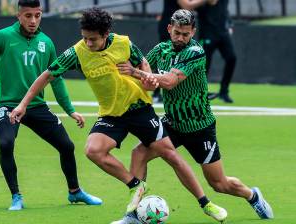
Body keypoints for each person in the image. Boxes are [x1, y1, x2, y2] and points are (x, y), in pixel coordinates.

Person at [9, 7, 227, 222]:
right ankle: (135, 186)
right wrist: (23, 105)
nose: (88, 43)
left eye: (93, 39)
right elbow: (47, 75)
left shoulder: (123, 43)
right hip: (112, 113)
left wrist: (147, 78)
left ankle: (205, 203)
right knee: (93, 150)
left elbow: (143, 62)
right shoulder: (77, 52)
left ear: (105, 35)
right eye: (85, 38)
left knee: (169, 154)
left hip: (139, 108)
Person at [117, 9, 274, 222]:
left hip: (200, 127)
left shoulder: (195, 52)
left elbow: (170, 82)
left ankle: (252, 196)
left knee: (219, 184)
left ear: (193, 32)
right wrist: (131, 71)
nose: (181, 37)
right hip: (172, 123)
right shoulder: (161, 49)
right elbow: (142, 67)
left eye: (186, 33)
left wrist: (136, 73)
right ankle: (133, 214)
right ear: (169, 29)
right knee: (139, 153)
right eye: (177, 32)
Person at [0, 0, 102, 211]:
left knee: (67, 146)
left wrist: (70, 110)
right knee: (5, 143)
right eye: (28, 15)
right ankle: (16, 197)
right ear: (18, 15)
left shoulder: (46, 42)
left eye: (37, 15)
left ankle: (75, 192)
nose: (33, 20)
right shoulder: (3, 37)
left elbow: (55, 78)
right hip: (9, 105)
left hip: (37, 106)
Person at [153, 0, 218, 103]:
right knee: (163, 60)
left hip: (183, 28)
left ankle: (198, 91)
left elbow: (213, 2)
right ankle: (156, 94)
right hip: (174, 29)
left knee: (188, 62)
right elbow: (187, 5)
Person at [196, 0, 237, 103]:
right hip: (207, 33)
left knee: (231, 58)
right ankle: (199, 94)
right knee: (204, 65)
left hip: (222, 32)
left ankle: (224, 91)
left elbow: (224, 10)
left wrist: (229, 23)